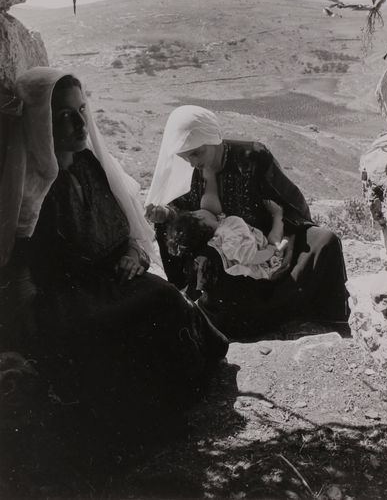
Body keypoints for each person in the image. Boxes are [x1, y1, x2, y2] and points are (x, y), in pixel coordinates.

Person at [0, 70, 228, 434]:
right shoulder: (30, 189)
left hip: (108, 277)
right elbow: (21, 270)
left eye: (82, 110)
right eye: (64, 116)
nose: (79, 124)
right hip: (64, 298)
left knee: (164, 297)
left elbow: (121, 229)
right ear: (41, 122)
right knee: (113, 330)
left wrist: (133, 255)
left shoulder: (91, 166)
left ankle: (179, 390)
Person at [146, 105, 350, 338]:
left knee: (325, 240)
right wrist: (165, 214)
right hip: (225, 258)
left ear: (212, 138)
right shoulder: (189, 170)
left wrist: (277, 239)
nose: (192, 162)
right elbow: (183, 217)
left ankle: (330, 321)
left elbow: (289, 203)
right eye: (185, 156)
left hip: (267, 240)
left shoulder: (251, 157)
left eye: (197, 153)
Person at [165, 205, 288, 282]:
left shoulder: (220, 231)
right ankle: (278, 214)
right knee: (279, 241)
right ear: (199, 217)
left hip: (257, 245)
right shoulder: (228, 236)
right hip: (264, 260)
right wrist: (270, 251)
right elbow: (250, 257)